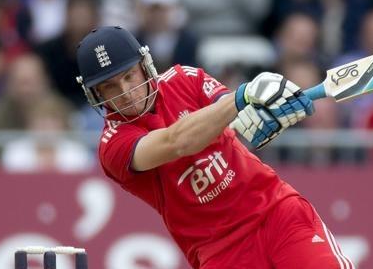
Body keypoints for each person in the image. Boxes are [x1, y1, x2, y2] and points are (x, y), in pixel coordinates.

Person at [75, 26, 354, 268]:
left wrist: (265, 108)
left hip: (276, 213)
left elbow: (230, 107)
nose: (126, 92)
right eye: (110, 86)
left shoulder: (185, 78)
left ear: (145, 65)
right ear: (95, 95)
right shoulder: (113, 145)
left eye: (129, 76)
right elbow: (177, 142)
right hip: (219, 250)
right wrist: (242, 98)